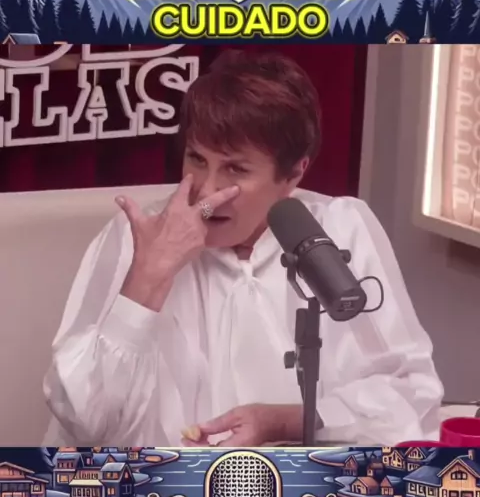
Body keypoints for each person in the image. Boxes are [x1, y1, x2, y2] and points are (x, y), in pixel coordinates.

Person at [43, 50, 443, 448]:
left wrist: (284, 422)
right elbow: (83, 422)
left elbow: (411, 397)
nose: (207, 190)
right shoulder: (136, 235)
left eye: (235, 169)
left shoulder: (341, 228)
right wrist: (149, 276)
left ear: (294, 173)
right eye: (196, 159)